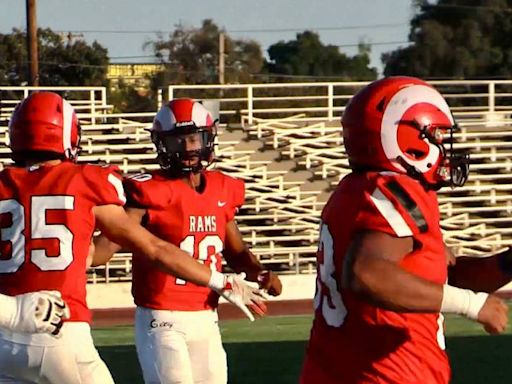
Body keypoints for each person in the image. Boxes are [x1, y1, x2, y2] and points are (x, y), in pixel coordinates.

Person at [0, 92, 265, 384]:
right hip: (62, 328)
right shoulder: (84, 181)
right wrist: (221, 280)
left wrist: (12, 311)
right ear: (69, 136)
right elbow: (153, 248)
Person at [299, 76, 512, 384]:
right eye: (437, 136)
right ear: (408, 141)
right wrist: (471, 305)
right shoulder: (392, 189)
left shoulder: (359, 190)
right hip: (385, 375)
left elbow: (435, 279)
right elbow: (366, 273)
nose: (444, 146)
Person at [92, 98, 283, 384]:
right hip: (162, 316)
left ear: (208, 138)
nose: (187, 148)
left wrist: (259, 272)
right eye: (177, 140)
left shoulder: (222, 189)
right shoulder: (148, 192)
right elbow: (105, 247)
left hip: (206, 315)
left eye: (193, 138)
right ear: (162, 143)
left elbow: (236, 251)